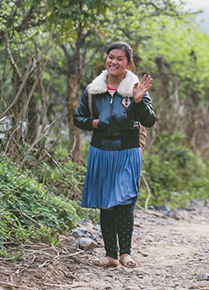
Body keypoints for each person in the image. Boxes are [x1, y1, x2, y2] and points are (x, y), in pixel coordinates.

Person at [74, 42, 156, 268]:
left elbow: (149, 120)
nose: (114, 62)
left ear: (128, 64)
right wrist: (94, 122)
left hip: (128, 152)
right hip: (101, 151)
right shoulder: (93, 90)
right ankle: (111, 255)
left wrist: (139, 102)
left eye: (120, 59)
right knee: (106, 203)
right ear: (105, 59)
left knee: (125, 200)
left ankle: (125, 253)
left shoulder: (135, 87)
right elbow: (78, 118)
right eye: (111, 57)